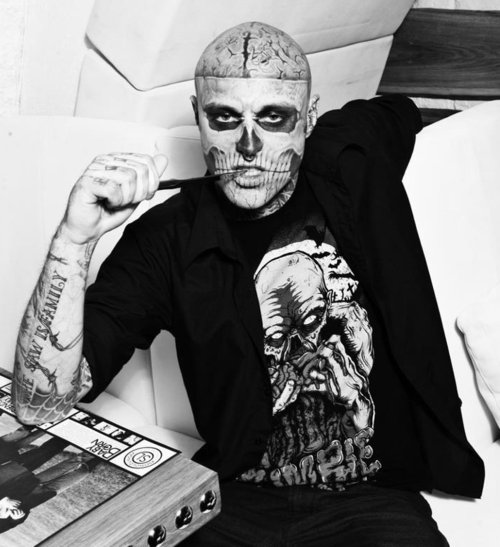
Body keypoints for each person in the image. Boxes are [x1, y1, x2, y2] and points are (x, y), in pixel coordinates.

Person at [13, 21, 483, 546]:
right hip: (232, 500)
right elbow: (38, 405)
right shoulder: (165, 238)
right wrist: (73, 240)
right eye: (225, 117)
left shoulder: (350, 162)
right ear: (198, 116)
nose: (250, 146)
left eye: (274, 117)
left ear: (308, 118)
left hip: (370, 500)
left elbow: (397, 110)